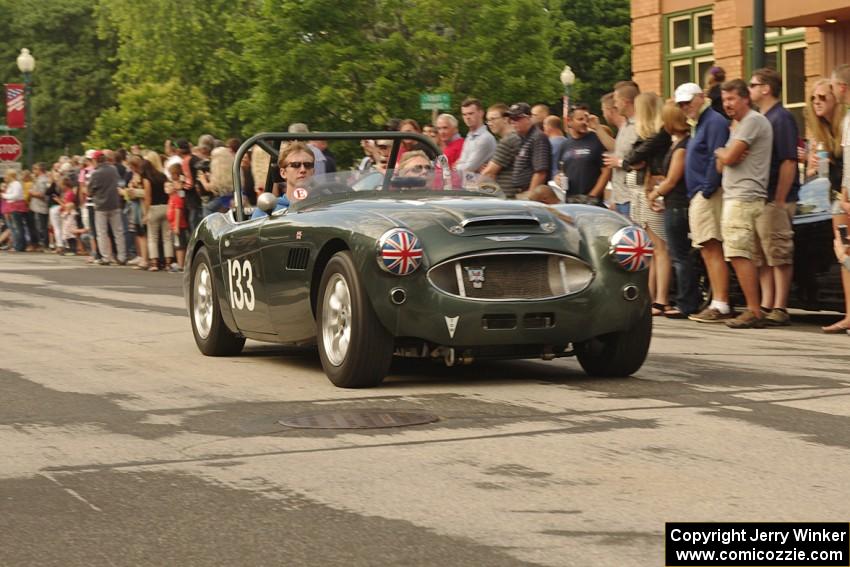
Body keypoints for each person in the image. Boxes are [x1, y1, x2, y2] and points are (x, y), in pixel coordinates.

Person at [714, 79, 774, 328]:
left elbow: (726, 157)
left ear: (745, 99)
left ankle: (753, 310)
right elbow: (721, 165)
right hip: (737, 195)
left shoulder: (752, 121)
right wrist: (725, 155)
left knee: (739, 253)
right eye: (724, 99)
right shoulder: (737, 125)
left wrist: (722, 151)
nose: (727, 104)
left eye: (731, 99)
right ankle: (758, 308)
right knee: (747, 254)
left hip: (743, 196)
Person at [676, 82, 732, 323]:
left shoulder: (714, 121)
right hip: (699, 192)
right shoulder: (700, 123)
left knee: (711, 246)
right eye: (681, 104)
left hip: (705, 192)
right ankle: (717, 301)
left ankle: (720, 303)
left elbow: (716, 157)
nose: (685, 107)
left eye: (688, 101)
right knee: (706, 248)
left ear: (701, 97)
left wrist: (707, 189)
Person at [748, 68, 800, 326]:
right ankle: (767, 303)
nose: (750, 89)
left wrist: (779, 199)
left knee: (778, 251)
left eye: (753, 84)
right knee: (762, 254)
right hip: (761, 195)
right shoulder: (762, 118)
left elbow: (789, 160)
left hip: (775, 197)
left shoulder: (781, 118)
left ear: (766, 88)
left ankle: (780, 305)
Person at [623, 92, 673, 315]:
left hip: (650, 192)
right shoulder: (647, 136)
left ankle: (661, 299)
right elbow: (632, 159)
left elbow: (632, 159)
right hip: (639, 194)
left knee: (660, 247)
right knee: (650, 250)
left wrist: (630, 161)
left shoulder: (659, 134)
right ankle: (650, 296)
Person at [648, 102, 698, 317]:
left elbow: (673, 180)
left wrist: (654, 193)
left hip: (677, 205)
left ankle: (686, 302)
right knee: (678, 254)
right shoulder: (676, 144)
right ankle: (685, 299)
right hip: (672, 203)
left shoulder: (682, 147)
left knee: (680, 255)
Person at [558, 104, 610, 203]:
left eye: (587, 119)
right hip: (570, 200)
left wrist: (592, 196)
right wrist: (558, 178)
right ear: (569, 121)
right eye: (580, 119)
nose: (585, 122)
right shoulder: (564, 145)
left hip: (592, 201)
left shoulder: (597, 139)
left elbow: (606, 172)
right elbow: (561, 170)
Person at [251, 142, 316, 218]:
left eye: (308, 165)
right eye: (296, 165)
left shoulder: (323, 206)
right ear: (283, 173)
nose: (303, 170)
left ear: (313, 172)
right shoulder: (266, 210)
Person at [803, 78, 845, 192]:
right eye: (813, 98)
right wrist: (811, 170)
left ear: (835, 98)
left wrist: (830, 166)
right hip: (829, 201)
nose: (816, 102)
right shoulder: (818, 134)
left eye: (822, 97)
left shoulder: (846, 127)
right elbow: (811, 182)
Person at [602, 83, 638, 216]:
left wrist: (618, 162)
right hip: (620, 199)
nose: (615, 106)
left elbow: (641, 161)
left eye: (616, 101)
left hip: (632, 199)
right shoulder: (625, 126)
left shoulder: (639, 127)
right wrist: (614, 199)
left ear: (625, 102)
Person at [88, 151, 127, 265]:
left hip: (101, 205)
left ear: (96, 160)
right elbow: (119, 183)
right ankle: (122, 256)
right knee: (118, 232)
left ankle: (106, 257)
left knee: (102, 232)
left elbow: (90, 191)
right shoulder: (113, 169)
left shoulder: (95, 173)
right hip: (114, 203)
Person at [506, 102, 551, 198]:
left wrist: (530, 197)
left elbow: (540, 172)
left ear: (528, 118)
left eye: (517, 118)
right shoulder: (523, 138)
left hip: (529, 192)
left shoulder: (537, 137)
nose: (513, 122)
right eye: (511, 119)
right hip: (520, 191)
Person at [480, 103, 521, 196]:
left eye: (493, 119)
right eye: (488, 120)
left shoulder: (509, 140)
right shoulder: (515, 137)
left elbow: (488, 172)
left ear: (506, 119)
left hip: (507, 196)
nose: (490, 123)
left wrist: (473, 188)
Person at [455, 98, 497, 173]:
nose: (467, 117)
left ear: (481, 113)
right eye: (464, 114)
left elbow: (468, 168)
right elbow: (463, 164)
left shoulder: (485, 138)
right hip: (470, 182)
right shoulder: (469, 137)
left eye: (471, 113)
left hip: (482, 183)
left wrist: (458, 166)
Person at [1, 169, 27, 252]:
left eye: (6, 175)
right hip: (11, 207)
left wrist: (3, 195)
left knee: (17, 228)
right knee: (13, 228)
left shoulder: (16, 184)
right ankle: (16, 245)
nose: (5, 177)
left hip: (16, 207)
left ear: (10, 176)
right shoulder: (11, 184)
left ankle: (19, 246)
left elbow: (15, 196)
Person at [543, 115, 568, 180]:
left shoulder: (547, 144)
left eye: (544, 125)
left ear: (549, 127)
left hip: (552, 181)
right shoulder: (569, 142)